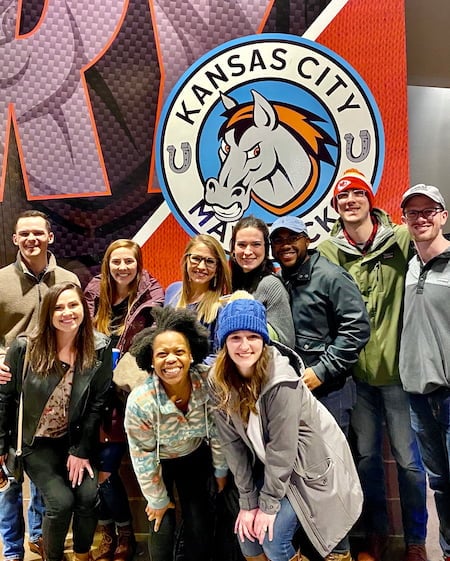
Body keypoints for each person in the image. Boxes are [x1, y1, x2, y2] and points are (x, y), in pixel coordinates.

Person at [318, 169, 428, 561]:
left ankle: (416, 538)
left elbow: (436, 246)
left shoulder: (400, 239)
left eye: (356, 194)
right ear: (336, 206)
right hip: (355, 377)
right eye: (342, 196)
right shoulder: (327, 253)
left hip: (399, 374)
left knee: (408, 461)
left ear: (370, 199)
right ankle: (374, 533)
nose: (350, 201)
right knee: (365, 458)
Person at [209, 297, 363, 561]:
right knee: (247, 538)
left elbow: (283, 448)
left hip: (310, 466)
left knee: (273, 539)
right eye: (235, 337)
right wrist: (248, 503)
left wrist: (267, 506)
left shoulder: (281, 380)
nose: (244, 346)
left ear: (263, 340)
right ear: (224, 343)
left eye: (252, 337)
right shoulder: (218, 380)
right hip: (276, 469)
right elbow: (232, 446)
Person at [269, 215, 371, 561]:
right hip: (293, 397)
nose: (285, 245)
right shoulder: (280, 282)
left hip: (330, 393)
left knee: (329, 478)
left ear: (307, 239)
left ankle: (340, 553)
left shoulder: (331, 276)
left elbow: (356, 329)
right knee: (303, 477)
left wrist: (322, 370)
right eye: (278, 239)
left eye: (292, 238)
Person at [0, 282, 112, 561]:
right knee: (60, 504)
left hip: (76, 440)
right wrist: (1, 446)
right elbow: (5, 399)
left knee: (87, 497)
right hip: (36, 443)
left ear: (84, 309)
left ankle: (83, 555)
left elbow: (97, 404)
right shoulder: (25, 348)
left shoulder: (99, 347)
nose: (67, 313)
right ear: (48, 313)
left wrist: (81, 451)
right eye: (58, 307)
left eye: (73, 305)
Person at [0, 210, 79, 561]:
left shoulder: (68, 279)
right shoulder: (0, 281)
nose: (32, 239)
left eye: (38, 233)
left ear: (51, 237)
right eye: (24, 234)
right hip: (9, 386)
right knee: (9, 474)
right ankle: (13, 549)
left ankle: (39, 538)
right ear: (15, 239)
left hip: (52, 389)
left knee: (45, 465)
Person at [124, 306, 228, 561]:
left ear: (192, 355)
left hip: (194, 455)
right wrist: (157, 499)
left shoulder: (207, 382)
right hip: (159, 462)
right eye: (162, 354)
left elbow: (217, 432)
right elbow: (142, 456)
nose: (171, 359)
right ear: (151, 359)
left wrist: (220, 471)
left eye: (179, 352)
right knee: (161, 522)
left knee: (199, 524)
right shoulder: (141, 401)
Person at [84, 239, 165, 561]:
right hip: (93, 394)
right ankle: (108, 530)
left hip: (129, 397)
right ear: (107, 264)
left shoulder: (152, 294)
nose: (122, 267)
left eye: (128, 261)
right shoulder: (93, 293)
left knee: (105, 469)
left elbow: (156, 336)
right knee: (91, 471)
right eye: (116, 262)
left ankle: (124, 531)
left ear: (138, 264)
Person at [399, 184, 450, 561]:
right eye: (413, 213)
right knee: (442, 484)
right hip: (418, 395)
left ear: (443, 216)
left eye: (429, 210)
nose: (422, 218)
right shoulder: (410, 264)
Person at [229, 215, 295, 348]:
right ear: (233, 248)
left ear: (266, 248)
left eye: (256, 244)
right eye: (242, 245)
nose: (248, 251)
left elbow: (286, 342)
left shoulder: (270, 284)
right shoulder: (231, 282)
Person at [164, 233, 231, 357]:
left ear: (218, 269)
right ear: (186, 260)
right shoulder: (172, 290)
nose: (201, 266)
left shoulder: (220, 309)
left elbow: (219, 357)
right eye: (196, 258)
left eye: (210, 261)